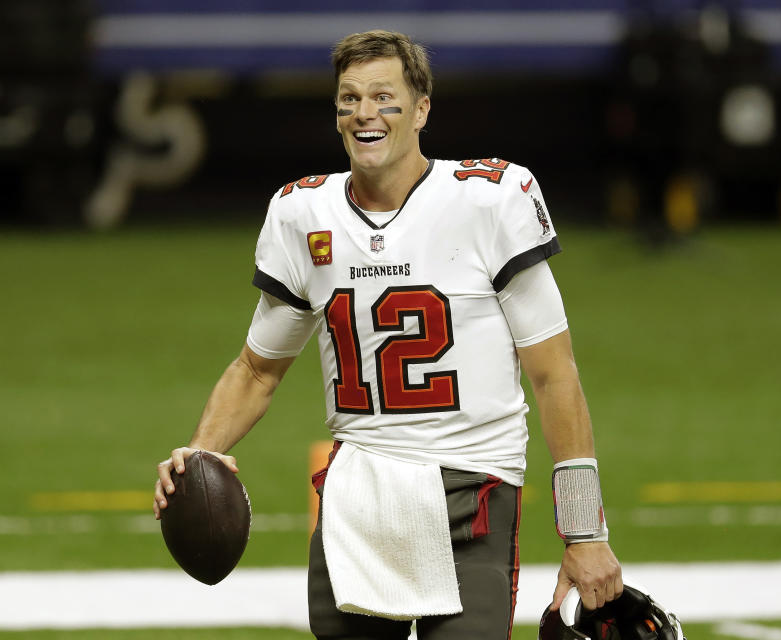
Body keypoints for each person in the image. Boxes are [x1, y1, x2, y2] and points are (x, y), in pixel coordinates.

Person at [154, 29, 622, 640]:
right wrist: (201, 453)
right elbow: (256, 370)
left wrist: (585, 533)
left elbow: (554, 373)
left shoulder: (492, 200)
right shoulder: (303, 214)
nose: (364, 114)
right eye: (349, 99)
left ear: (422, 109)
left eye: (383, 97)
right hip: (359, 497)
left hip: (470, 485)